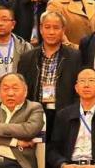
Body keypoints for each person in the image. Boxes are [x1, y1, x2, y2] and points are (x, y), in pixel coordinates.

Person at [16, 11, 82, 143]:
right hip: (35, 114)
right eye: (47, 27)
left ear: (63, 30)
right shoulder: (27, 57)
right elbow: (21, 88)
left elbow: (78, 89)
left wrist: (73, 112)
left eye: (56, 28)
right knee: (38, 151)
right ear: (41, 29)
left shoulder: (75, 57)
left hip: (64, 113)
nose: (51, 32)